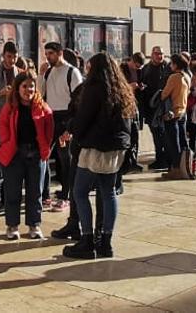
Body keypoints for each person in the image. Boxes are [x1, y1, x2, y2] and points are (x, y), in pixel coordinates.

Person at [61, 53, 137, 260]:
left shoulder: (94, 88)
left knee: (79, 192)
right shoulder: (121, 90)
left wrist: (71, 128)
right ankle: (105, 242)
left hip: (95, 147)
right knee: (108, 192)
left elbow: (83, 118)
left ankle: (87, 240)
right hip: (116, 149)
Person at [0, 72, 54, 240]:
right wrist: (7, 144)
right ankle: (12, 225)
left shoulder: (42, 107)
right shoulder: (10, 107)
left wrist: (45, 147)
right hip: (15, 153)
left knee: (35, 191)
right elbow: (2, 126)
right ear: (18, 88)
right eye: (24, 86)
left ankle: (34, 225)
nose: (28, 89)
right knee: (12, 191)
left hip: (36, 154)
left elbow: (49, 128)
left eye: (31, 86)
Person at [42, 42, 83, 210]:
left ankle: (66, 195)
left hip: (66, 118)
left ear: (60, 53)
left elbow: (78, 100)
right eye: (46, 54)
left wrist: (71, 127)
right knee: (43, 156)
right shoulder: (49, 72)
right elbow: (42, 93)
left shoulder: (72, 72)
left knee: (66, 158)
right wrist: (40, 74)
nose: (48, 57)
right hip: (51, 116)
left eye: (51, 53)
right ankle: (44, 194)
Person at [159, 53, 191, 179]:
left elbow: (164, 94)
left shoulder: (174, 77)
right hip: (182, 112)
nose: (170, 65)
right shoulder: (186, 76)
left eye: (172, 63)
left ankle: (176, 168)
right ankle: (185, 167)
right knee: (183, 141)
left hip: (172, 113)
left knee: (173, 142)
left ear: (176, 64)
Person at [139, 47, 171, 169]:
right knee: (155, 133)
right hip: (150, 107)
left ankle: (166, 158)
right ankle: (159, 157)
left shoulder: (168, 67)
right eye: (157, 54)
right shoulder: (146, 68)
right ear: (152, 54)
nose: (159, 56)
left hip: (163, 106)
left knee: (164, 133)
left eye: (162, 54)